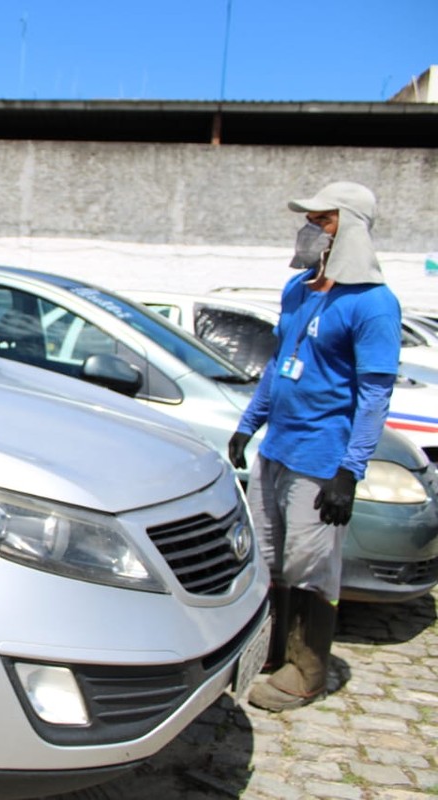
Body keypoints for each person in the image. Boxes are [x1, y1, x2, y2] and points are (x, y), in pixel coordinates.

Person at [227, 181, 400, 713]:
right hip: (276, 450)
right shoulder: (298, 290)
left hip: (322, 460)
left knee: (311, 565)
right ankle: (271, 653)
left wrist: (350, 470)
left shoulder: (374, 304)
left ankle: (306, 670)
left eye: (321, 220)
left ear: (347, 228)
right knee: (273, 559)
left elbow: (375, 394)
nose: (309, 229)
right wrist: (247, 426)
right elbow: (278, 368)